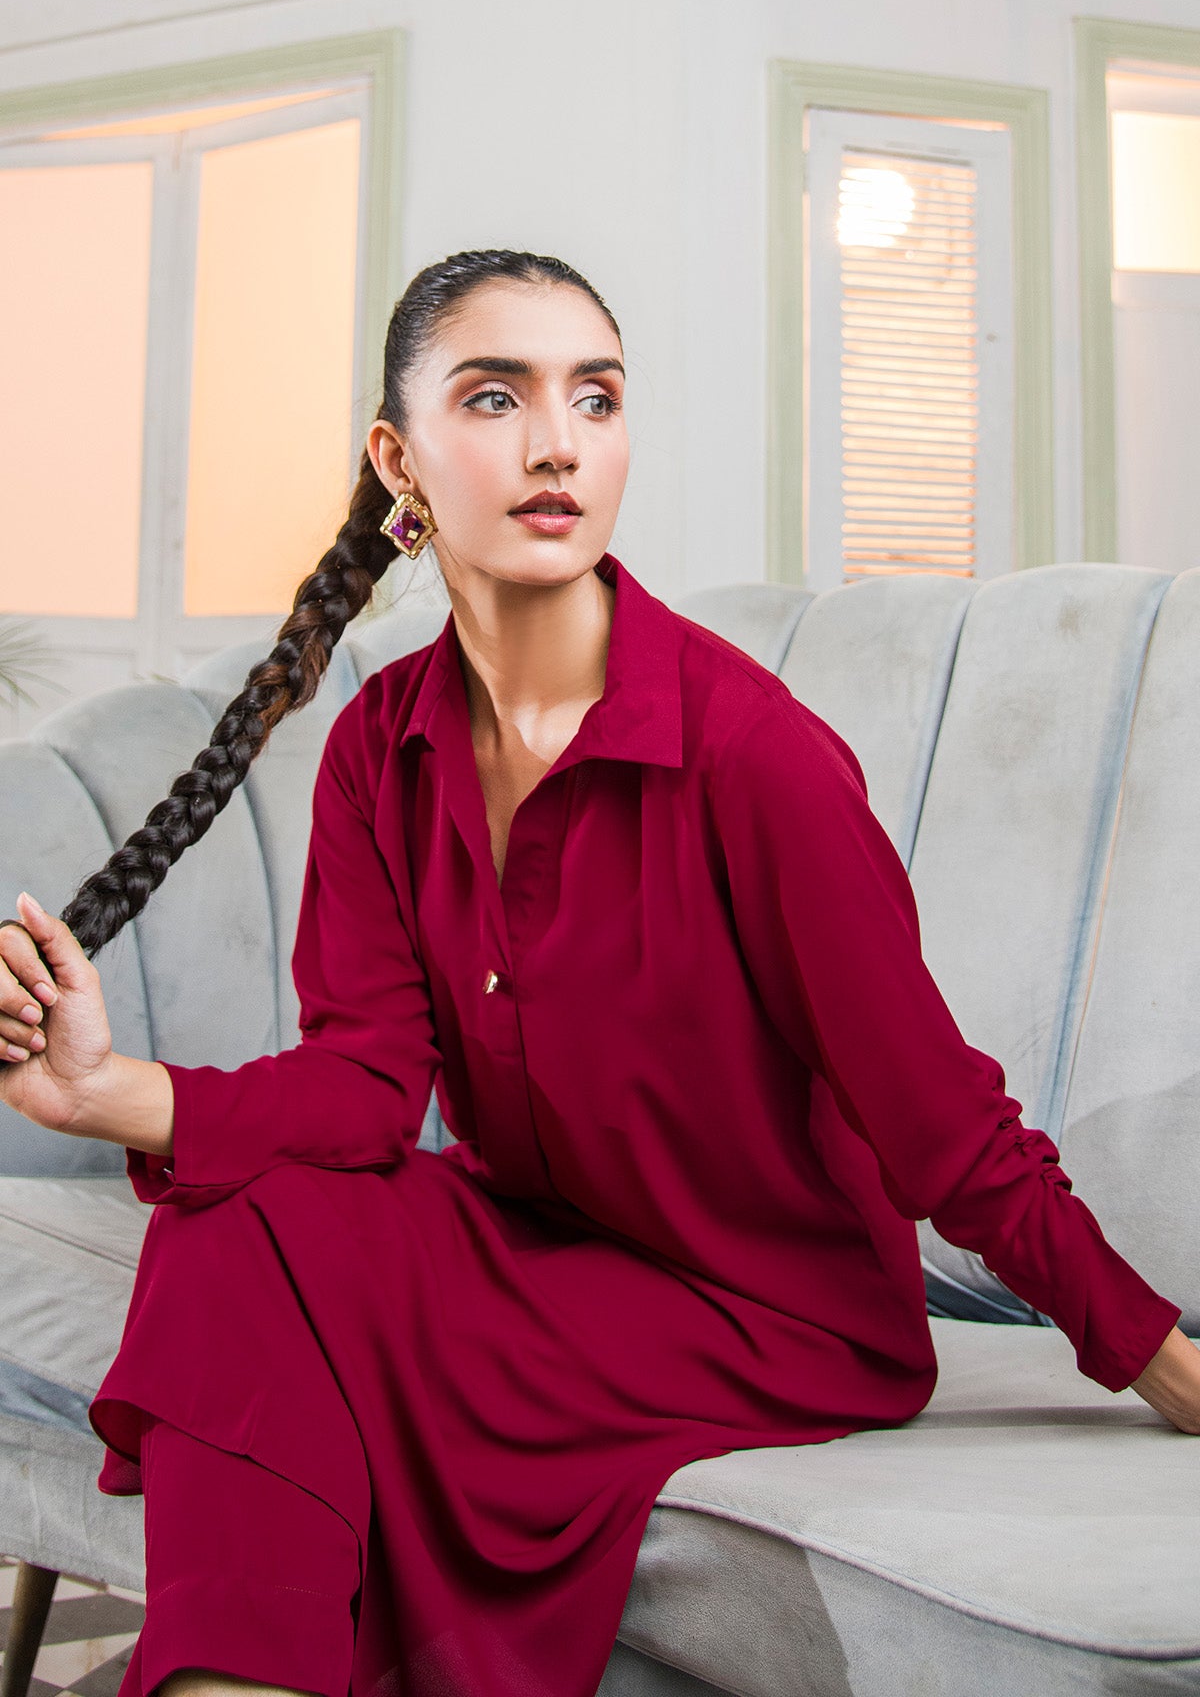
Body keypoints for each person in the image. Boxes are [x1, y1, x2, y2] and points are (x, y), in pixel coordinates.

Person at [0, 246, 1197, 1697]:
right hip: (550, 1252)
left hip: (775, 1316)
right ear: (402, 458)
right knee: (237, 1219)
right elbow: (368, 1089)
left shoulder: (754, 758)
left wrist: (1161, 1362)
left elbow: (943, 1124)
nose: (558, 442)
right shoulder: (383, 747)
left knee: (247, 1257)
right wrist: (103, 1090)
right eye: (496, 397)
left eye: (598, 397)